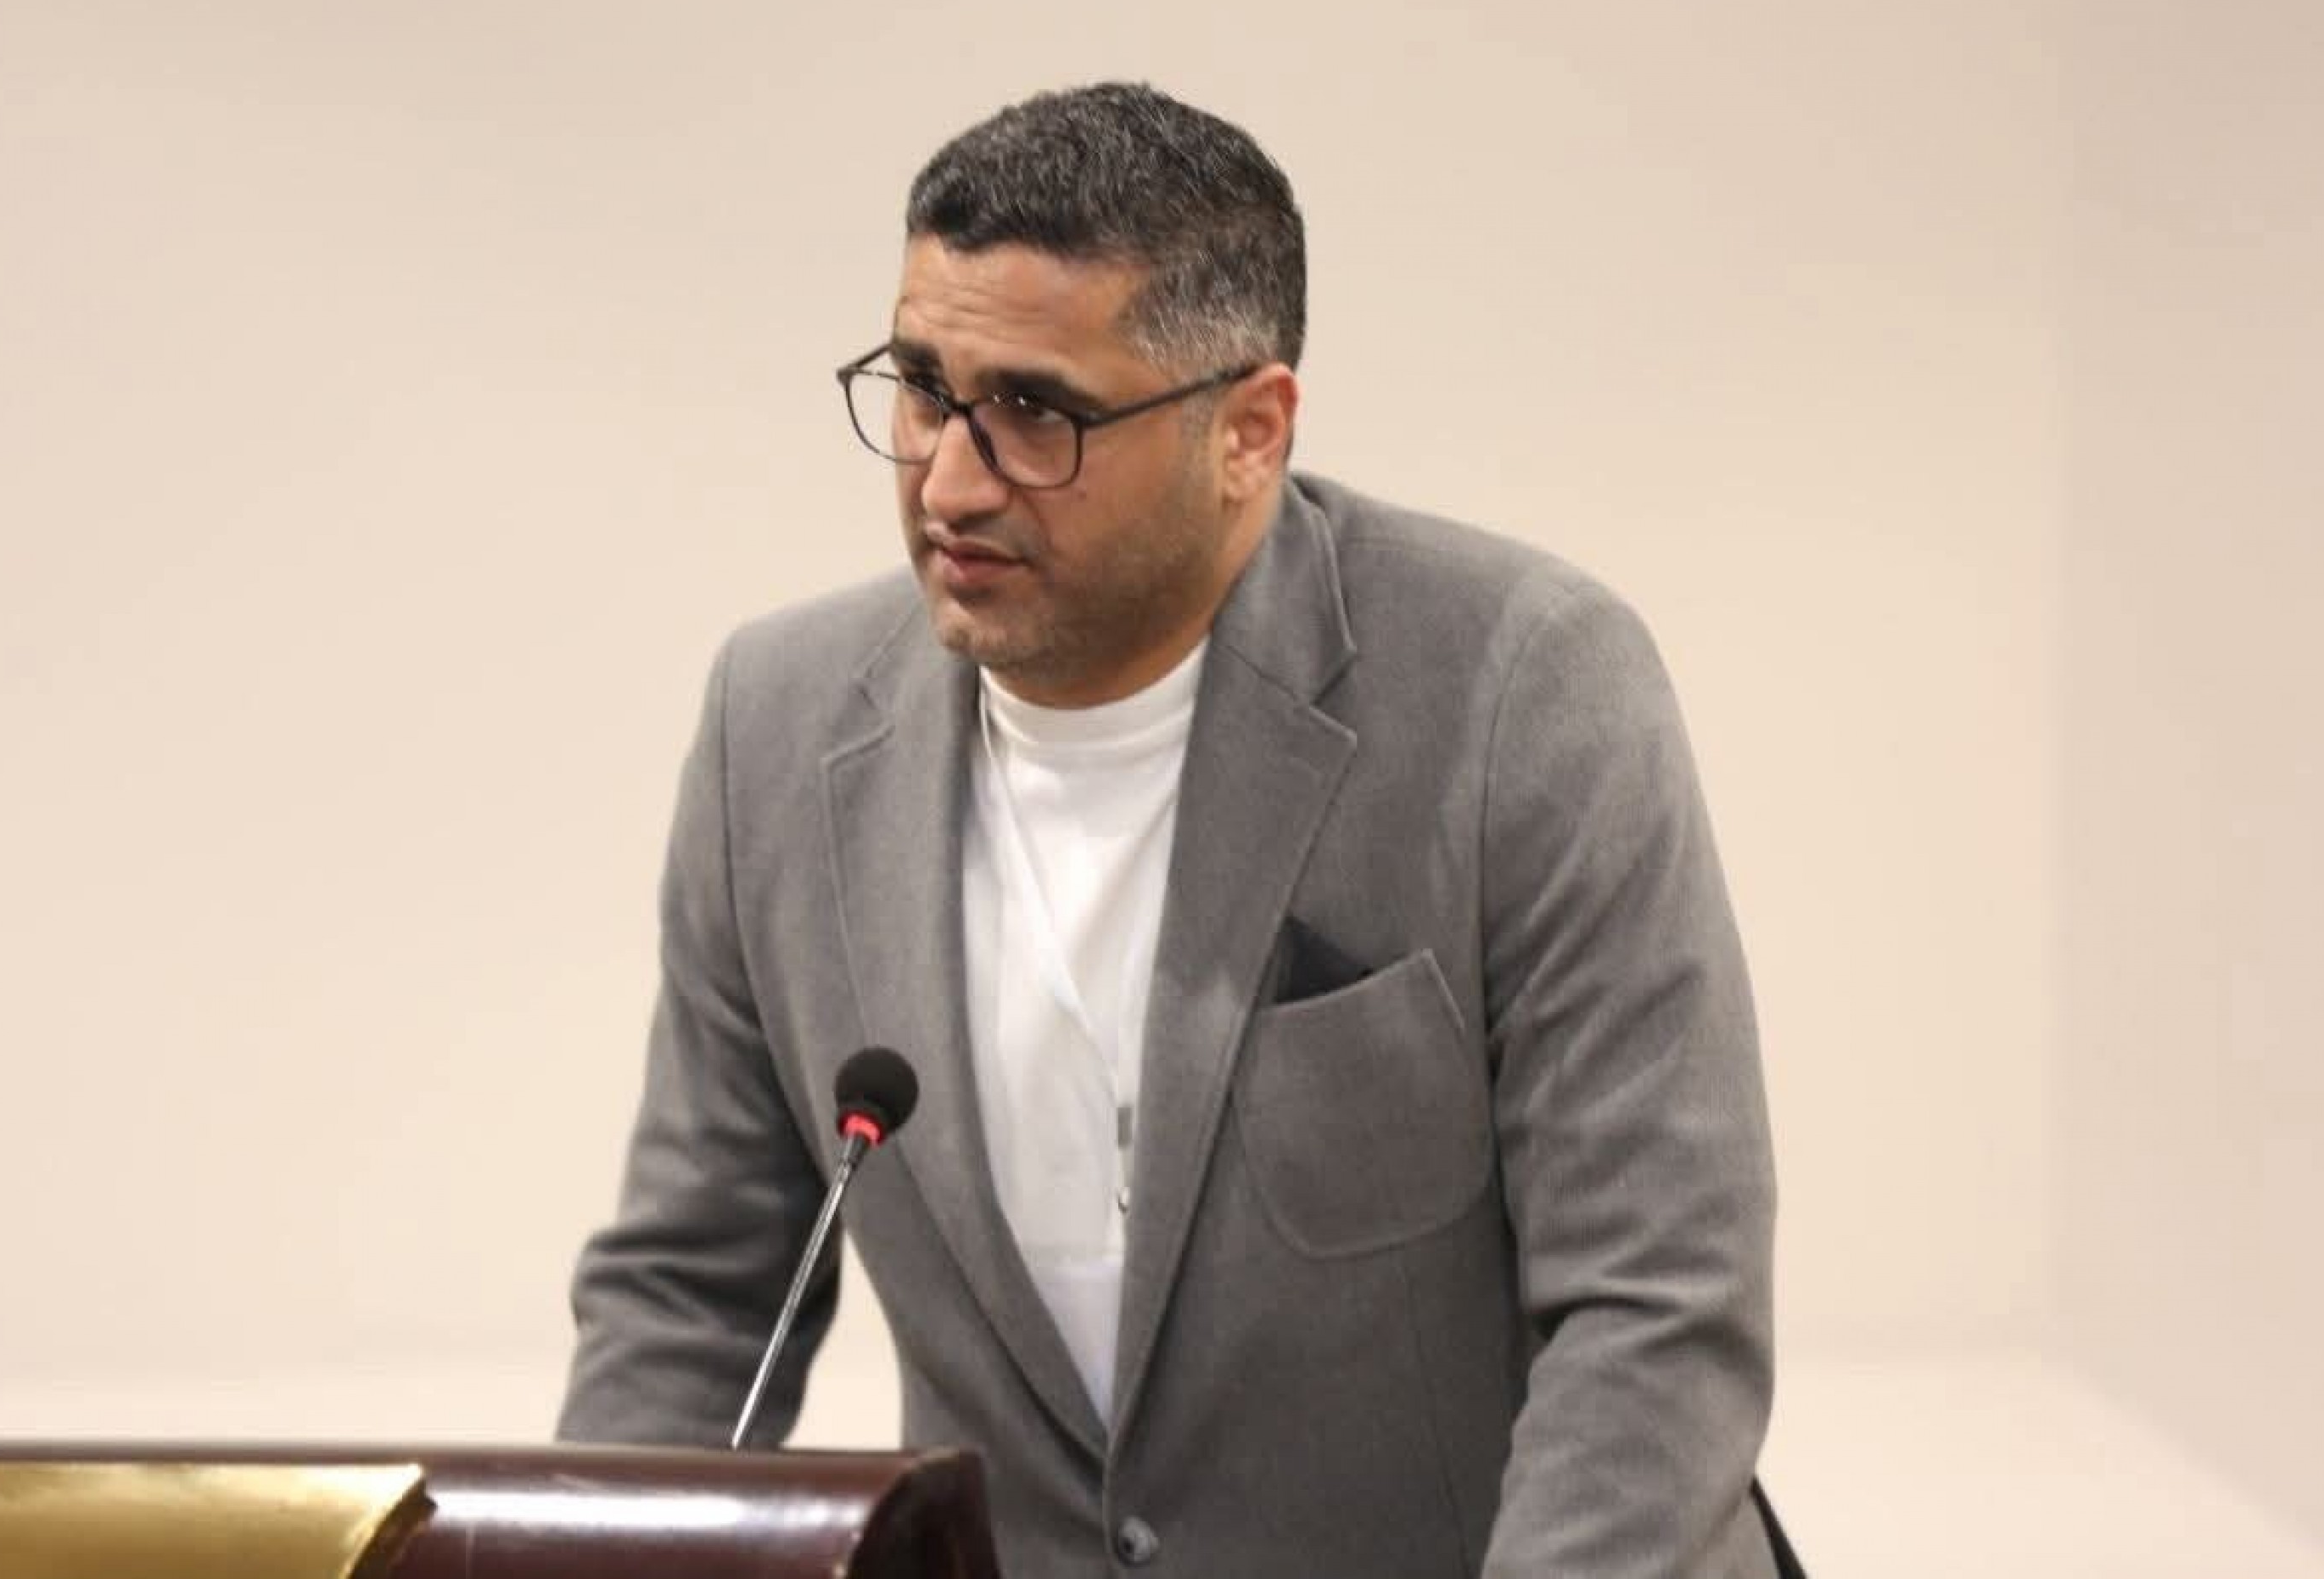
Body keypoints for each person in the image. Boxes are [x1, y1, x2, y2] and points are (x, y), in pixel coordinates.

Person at [557, 82, 1784, 1577]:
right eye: (925, 387)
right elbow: (691, 1301)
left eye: (1037, 414)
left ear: (1249, 433)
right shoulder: (778, 726)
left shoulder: (1522, 689)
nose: (950, 480)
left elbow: (1656, 1311)